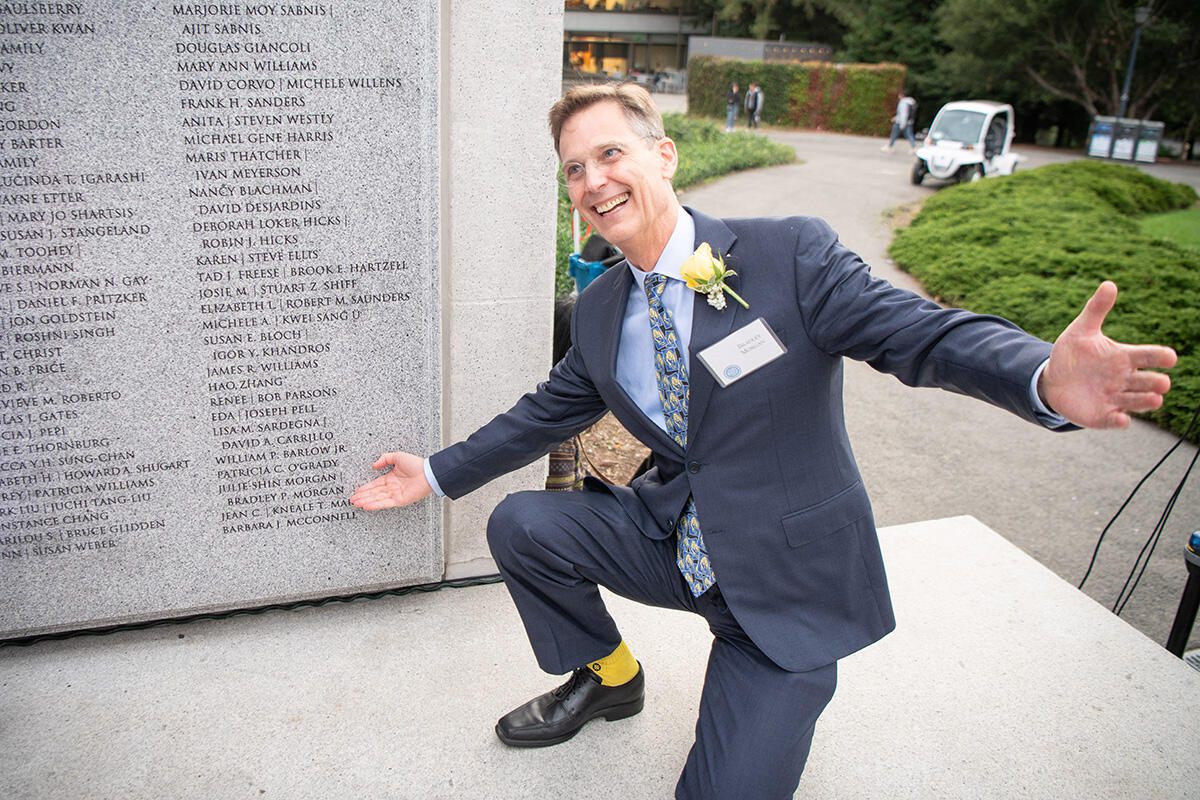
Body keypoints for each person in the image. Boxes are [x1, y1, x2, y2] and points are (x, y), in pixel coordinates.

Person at [350, 83, 1176, 799]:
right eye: (574, 168)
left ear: (665, 155)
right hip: (678, 543)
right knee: (523, 525)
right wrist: (438, 471)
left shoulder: (788, 255)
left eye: (609, 153)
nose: (594, 180)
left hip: (786, 582)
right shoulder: (600, 312)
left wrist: (1040, 376)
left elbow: (916, 333)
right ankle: (610, 678)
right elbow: (544, 412)